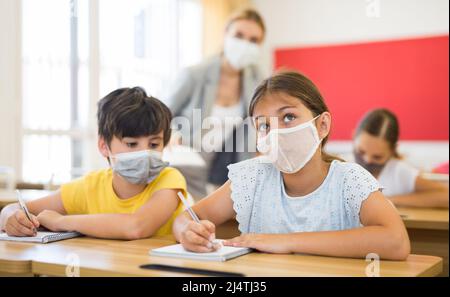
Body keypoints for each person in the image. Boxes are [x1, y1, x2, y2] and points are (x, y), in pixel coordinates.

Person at [172, 72, 410, 260]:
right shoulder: (253, 177)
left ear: (322, 125)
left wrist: (286, 241)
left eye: (288, 117)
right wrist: (187, 232)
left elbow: (396, 242)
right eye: (264, 125)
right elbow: (188, 218)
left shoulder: (348, 179)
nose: (275, 132)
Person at [0, 87, 187, 239]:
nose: (145, 153)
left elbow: (136, 227)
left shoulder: (169, 180)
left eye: (154, 144)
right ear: (104, 146)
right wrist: (9, 216)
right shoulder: (91, 186)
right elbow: (18, 207)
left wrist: (61, 222)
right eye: (131, 144)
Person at [167, 9, 266, 198]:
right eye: (239, 35)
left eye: (253, 40)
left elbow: (260, 121)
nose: (245, 43)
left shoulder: (257, 80)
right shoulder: (194, 75)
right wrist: (172, 133)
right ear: (225, 35)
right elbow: (160, 114)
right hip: (185, 162)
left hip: (223, 169)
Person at [353, 108, 448, 208]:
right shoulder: (344, 165)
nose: (367, 160)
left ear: (392, 150)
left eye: (377, 157)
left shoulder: (398, 171)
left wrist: (388, 200)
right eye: (361, 151)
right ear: (354, 136)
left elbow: (446, 196)